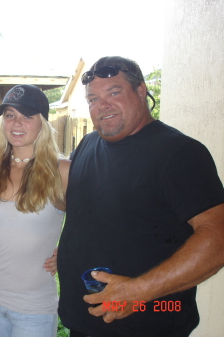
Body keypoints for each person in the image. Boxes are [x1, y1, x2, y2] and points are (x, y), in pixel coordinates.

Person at [55, 56, 224, 337]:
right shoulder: (88, 143)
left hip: (145, 325)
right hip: (85, 324)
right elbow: (86, 208)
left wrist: (137, 291)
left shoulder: (178, 153)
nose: (102, 105)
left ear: (141, 91)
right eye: (93, 99)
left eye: (114, 93)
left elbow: (218, 237)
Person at [0, 84, 70, 337]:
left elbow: (93, 222)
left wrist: (70, 252)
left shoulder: (62, 171)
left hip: (34, 306)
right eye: (10, 115)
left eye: (27, 116)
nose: (17, 123)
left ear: (43, 123)